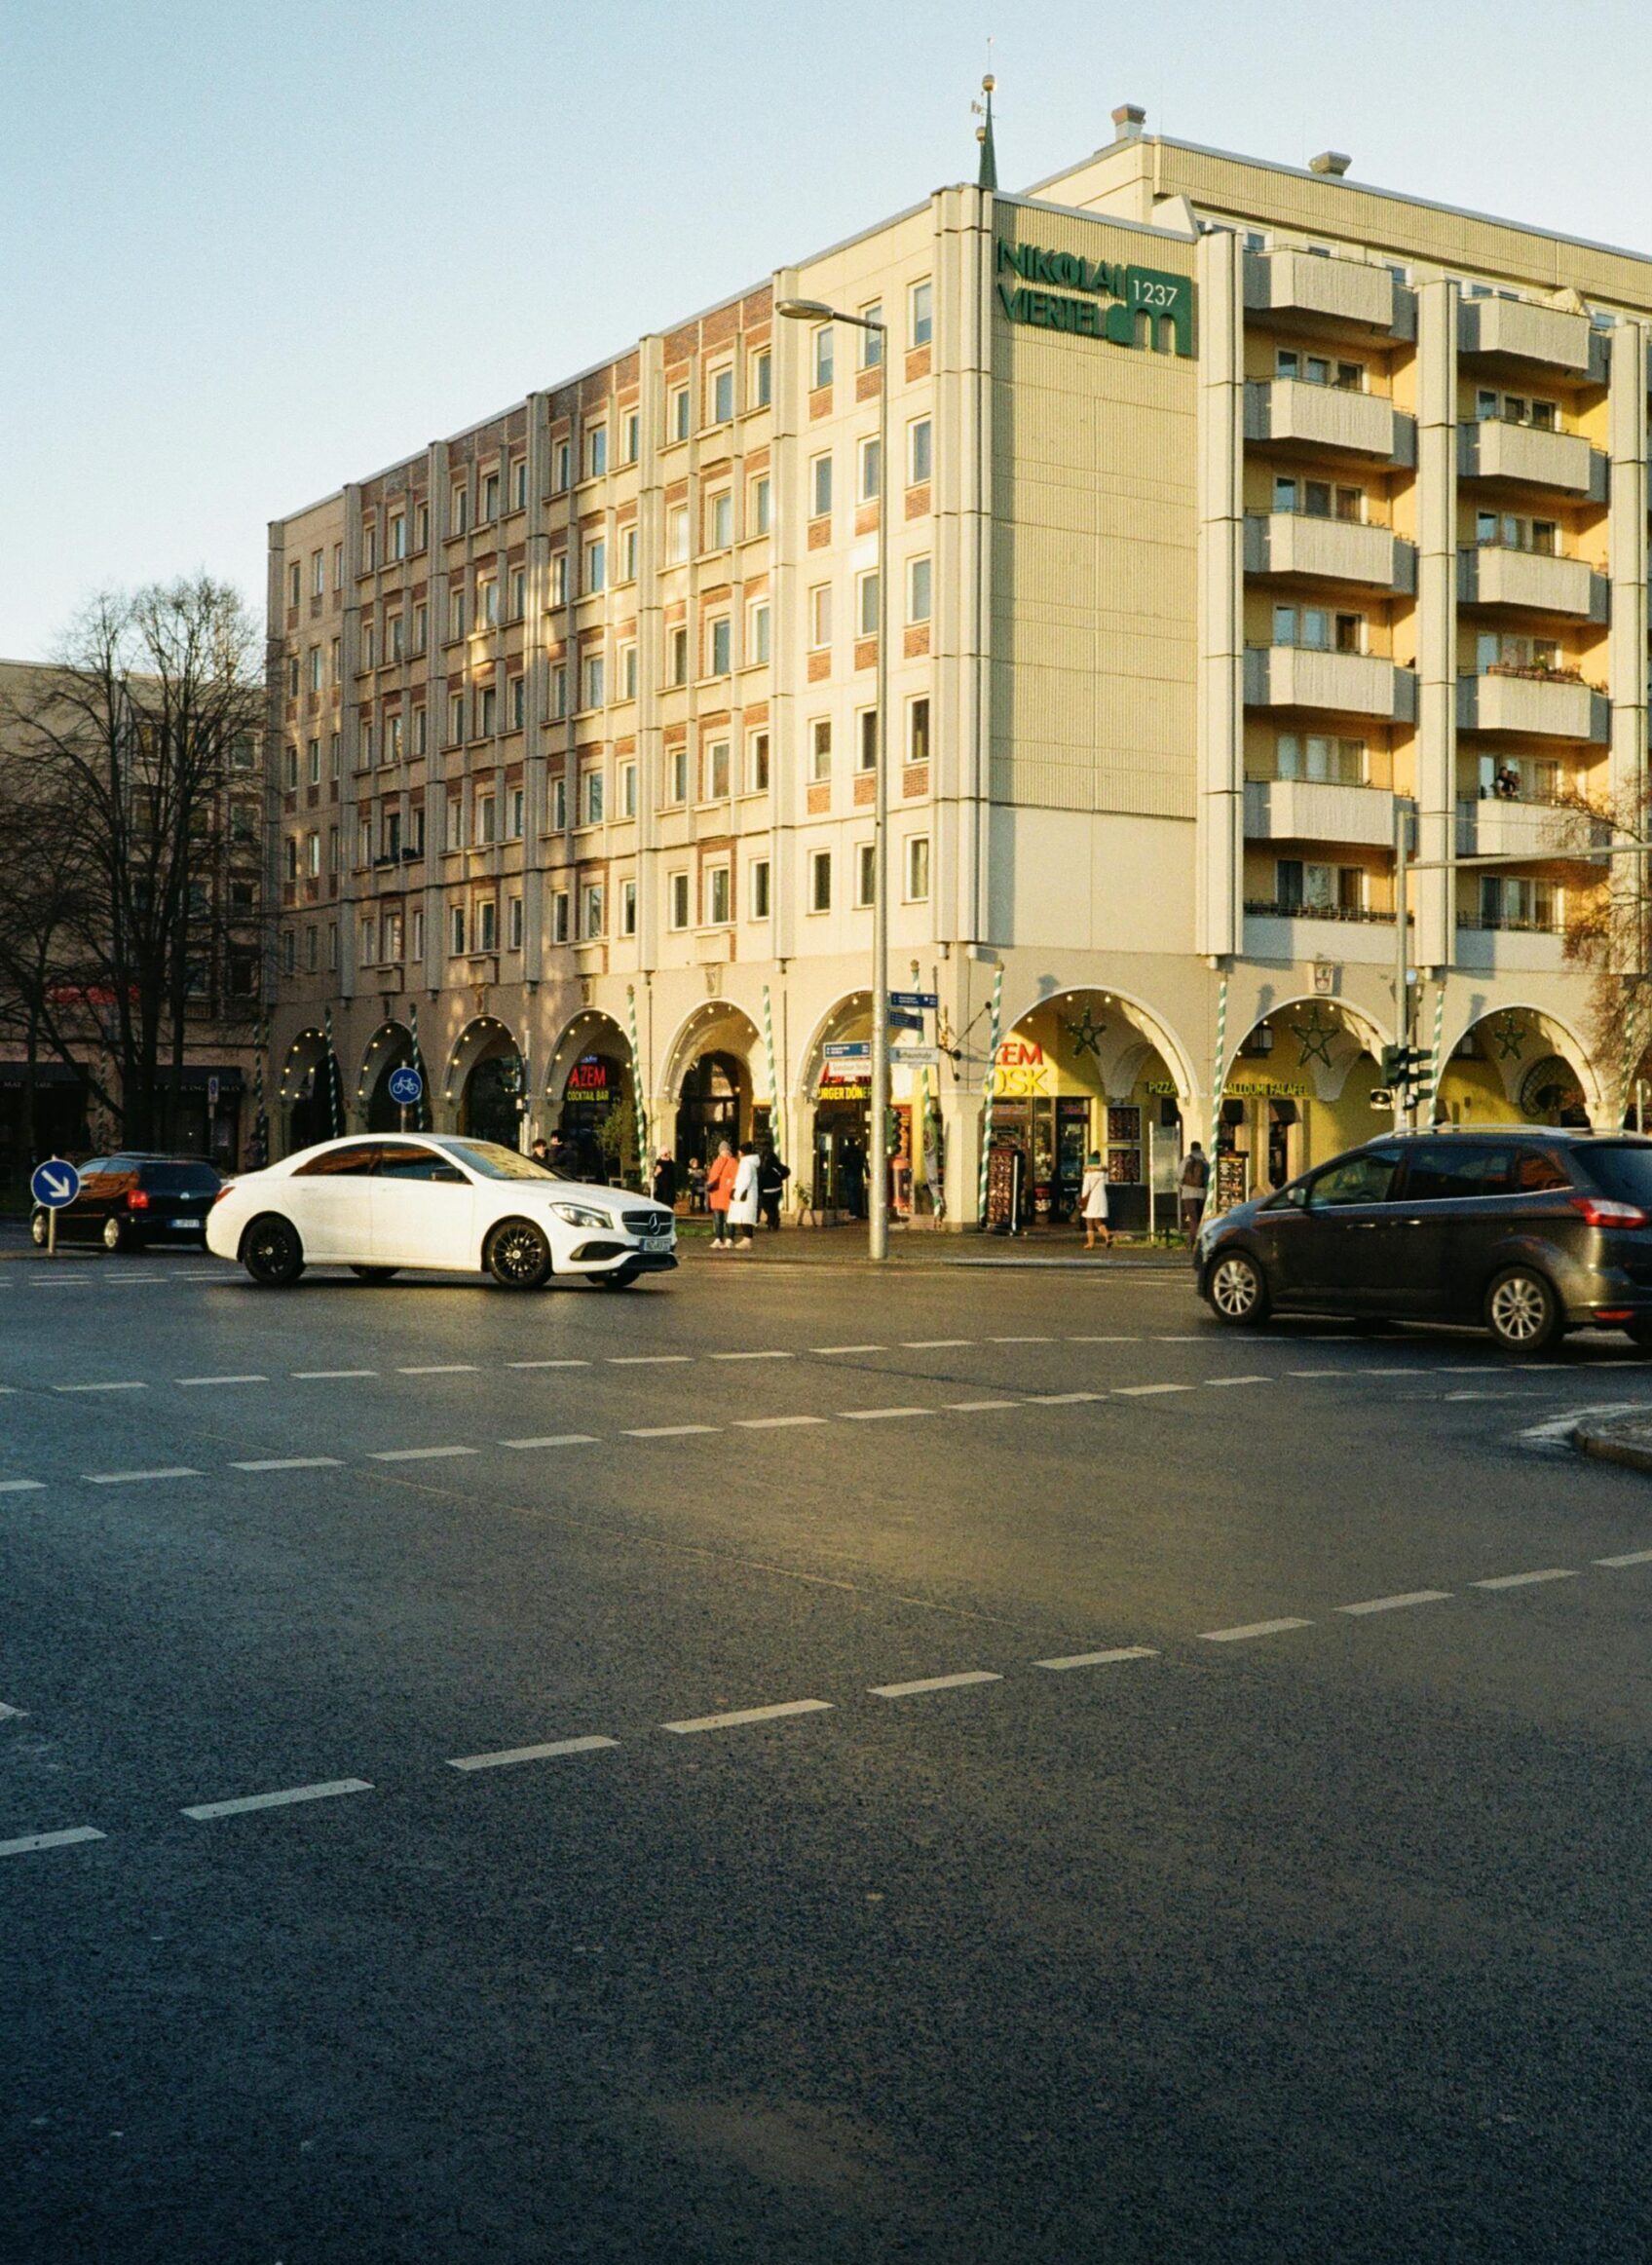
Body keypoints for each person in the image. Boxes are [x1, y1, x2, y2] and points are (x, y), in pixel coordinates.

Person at [705, 1138, 737, 1250]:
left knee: (727, 1218)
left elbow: (734, 1177)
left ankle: (728, 1238)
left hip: (723, 1193)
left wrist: (729, 1186)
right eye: (723, 1150)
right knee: (721, 1218)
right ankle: (721, 1238)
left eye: (726, 1150)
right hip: (719, 1193)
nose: (725, 1152)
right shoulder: (720, 1162)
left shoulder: (729, 1162)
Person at [728, 1141, 761, 1252]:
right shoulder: (748, 1163)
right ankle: (746, 1239)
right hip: (746, 1193)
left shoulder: (746, 1163)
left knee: (745, 1218)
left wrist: (738, 1192)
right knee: (744, 1217)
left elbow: (745, 1179)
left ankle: (747, 1240)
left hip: (745, 1194)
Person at [1079, 1150, 1112, 1252]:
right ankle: (1107, 1235)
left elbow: (1085, 1189)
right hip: (1101, 1198)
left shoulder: (1088, 1175)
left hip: (1091, 1200)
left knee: (1089, 1221)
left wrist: (1083, 1200)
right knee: (1097, 1220)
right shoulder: (1103, 1174)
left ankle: (1091, 1243)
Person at [1179, 1142, 1210, 1242]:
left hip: (1188, 1194)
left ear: (1191, 1149)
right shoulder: (1205, 1162)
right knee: (1199, 1218)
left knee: (1193, 1218)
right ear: (1200, 1148)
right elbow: (1209, 1178)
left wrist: (1183, 1187)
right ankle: (1198, 1239)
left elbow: (1179, 1176)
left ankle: (1194, 1240)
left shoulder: (1187, 1160)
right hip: (1202, 1194)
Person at [757, 1143, 790, 1231]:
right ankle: (773, 1220)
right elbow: (786, 1171)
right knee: (774, 1206)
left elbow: (760, 1180)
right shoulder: (776, 1165)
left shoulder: (762, 1167)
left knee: (767, 1206)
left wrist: (759, 1191)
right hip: (777, 1188)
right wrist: (780, 1178)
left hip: (766, 1191)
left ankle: (772, 1220)